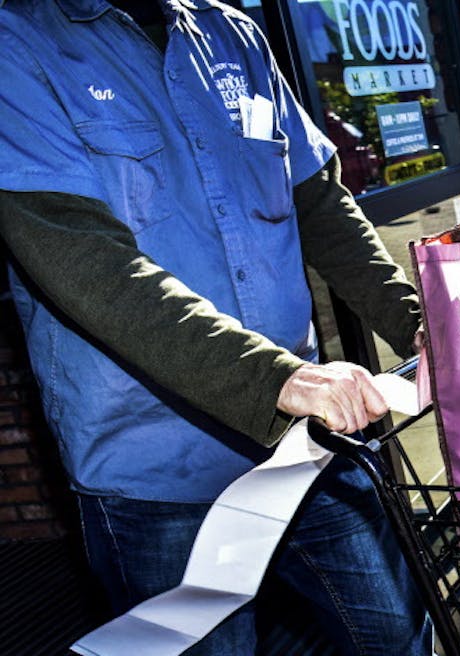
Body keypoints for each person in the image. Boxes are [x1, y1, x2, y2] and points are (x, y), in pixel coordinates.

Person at [0, 0, 431, 652]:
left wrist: (416, 322)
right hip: (156, 471)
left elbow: (317, 201)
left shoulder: (233, 34)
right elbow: (84, 259)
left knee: (396, 634)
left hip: (305, 448)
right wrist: (276, 381)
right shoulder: (17, 43)